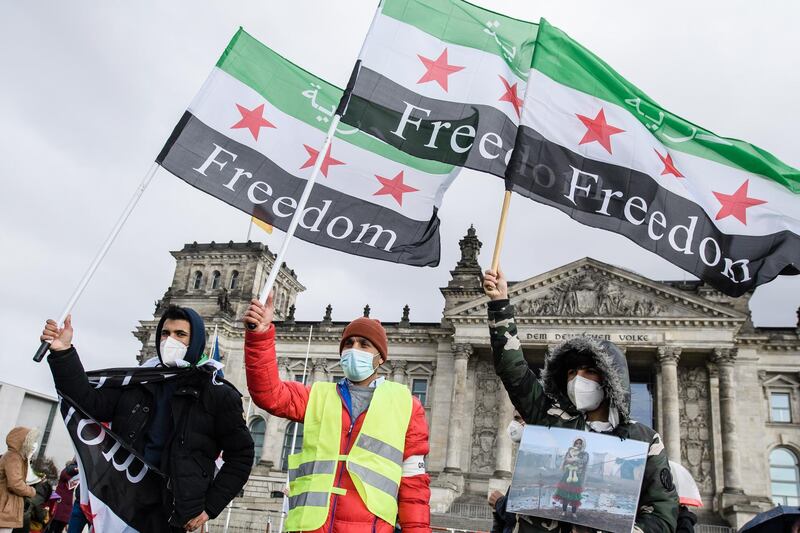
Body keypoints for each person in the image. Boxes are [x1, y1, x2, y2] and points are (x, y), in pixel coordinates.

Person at [483, 269, 678, 533]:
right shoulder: (550, 418)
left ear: (610, 380)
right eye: (572, 372)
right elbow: (513, 370)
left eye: (588, 371)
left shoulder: (644, 439)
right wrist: (499, 305)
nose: (578, 379)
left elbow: (662, 514)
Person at [40, 306, 254, 532]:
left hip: (170, 511)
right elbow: (87, 402)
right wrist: (63, 352)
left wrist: (210, 506)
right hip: (122, 501)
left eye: (180, 334)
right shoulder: (138, 381)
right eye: (165, 333)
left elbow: (241, 455)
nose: (169, 340)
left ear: (196, 341)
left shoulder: (217, 394)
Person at [243, 296, 431, 533]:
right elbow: (268, 394)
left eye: (364, 344)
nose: (354, 349)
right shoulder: (317, 396)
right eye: (349, 343)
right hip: (312, 527)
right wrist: (260, 335)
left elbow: (414, 487)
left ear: (381, 358)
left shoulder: (407, 406)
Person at [0, 428, 38, 533]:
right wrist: (31, 491)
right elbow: (15, 484)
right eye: (31, 441)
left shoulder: (14, 456)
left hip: (6, 505)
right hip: (5, 507)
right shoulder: (14, 457)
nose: (33, 445)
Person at [553, 438, 589, 518]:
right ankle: (564, 511)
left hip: (577, 476)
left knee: (575, 496)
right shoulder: (569, 451)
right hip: (567, 475)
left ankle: (573, 513)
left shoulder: (584, 454)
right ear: (574, 444)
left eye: (580, 443)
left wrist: (574, 460)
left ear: (583, 444)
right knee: (565, 494)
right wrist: (571, 460)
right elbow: (566, 460)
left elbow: (584, 461)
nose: (578, 445)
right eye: (577, 443)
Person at [46, 460, 78, 533]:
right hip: (58, 504)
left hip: (65, 507)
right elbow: (68, 472)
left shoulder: (75, 478)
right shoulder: (65, 473)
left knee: (58, 528)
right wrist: (77, 470)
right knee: (51, 527)